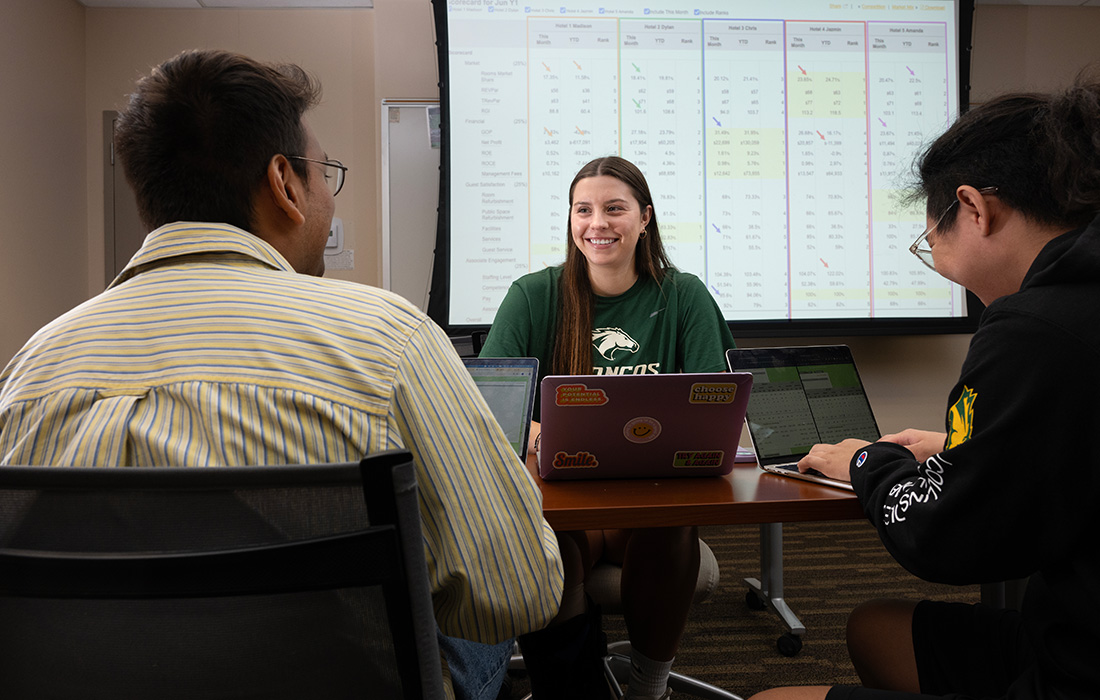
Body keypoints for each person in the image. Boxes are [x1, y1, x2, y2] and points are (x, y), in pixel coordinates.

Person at [0, 49, 563, 700]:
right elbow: (516, 593)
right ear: (285, 183)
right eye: (326, 174)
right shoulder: (387, 339)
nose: (326, 193)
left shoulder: (29, 369)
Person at [748, 76, 1100, 700]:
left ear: (973, 207)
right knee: (875, 630)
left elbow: (945, 538)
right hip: (1067, 629)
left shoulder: (1032, 330)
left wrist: (864, 460)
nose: (939, 263)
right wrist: (972, 444)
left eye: (929, 241)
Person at [480, 156, 737, 699]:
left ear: (645, 218)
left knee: (670, 527)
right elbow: (490, 407)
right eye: (584, 210)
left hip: (651, 502)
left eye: (614, 209)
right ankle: (574, 686)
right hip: (564, 500)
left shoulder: (684, 295)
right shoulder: (533, 294)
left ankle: (649, 686)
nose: (597, 224)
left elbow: (717, 403)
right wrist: (537, 434)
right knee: (554, 540)